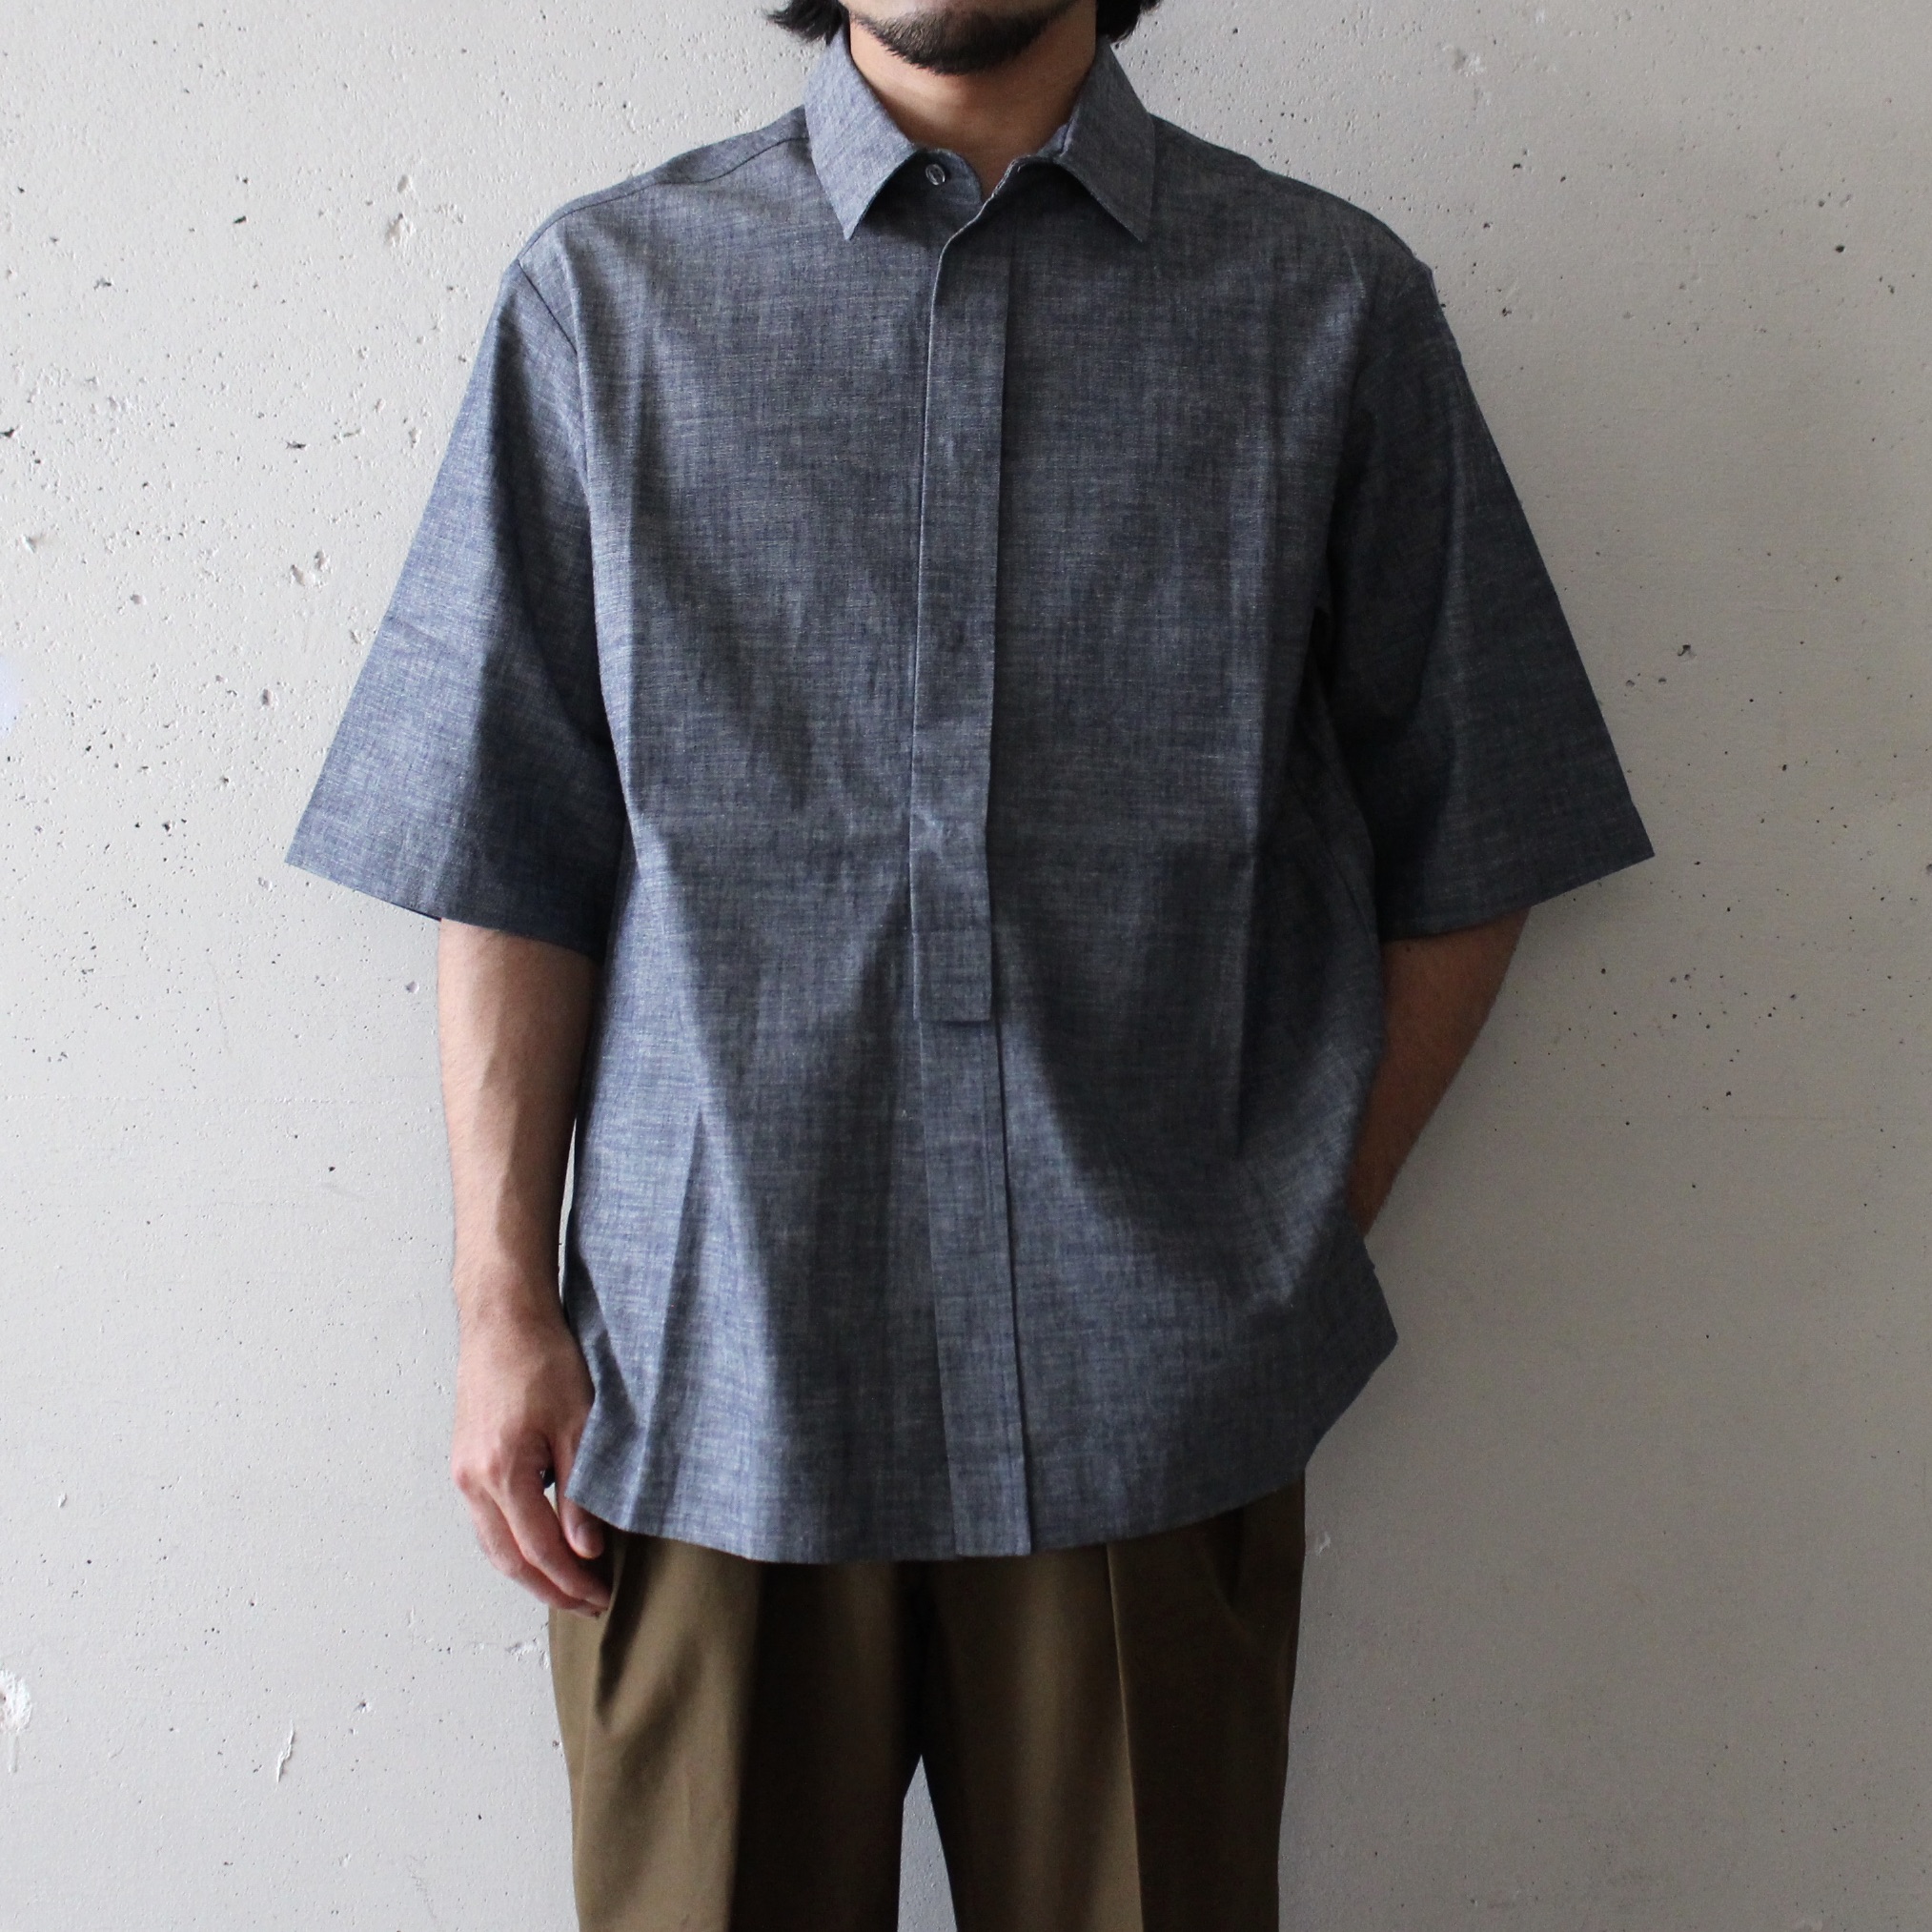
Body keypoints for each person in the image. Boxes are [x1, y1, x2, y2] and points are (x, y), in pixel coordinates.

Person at [288, 1, 1652, 1924]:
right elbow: (504, 845)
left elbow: (1479, 829)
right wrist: (503, 1301)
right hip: (703, 1394)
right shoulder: (608, 297)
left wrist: (1285, 1241)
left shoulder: (1326, 305)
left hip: (1153, 1402)